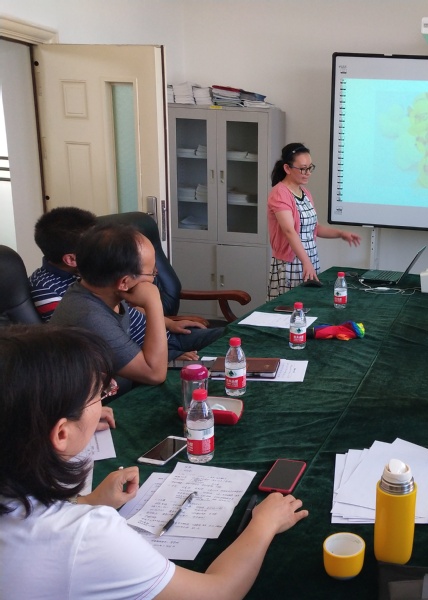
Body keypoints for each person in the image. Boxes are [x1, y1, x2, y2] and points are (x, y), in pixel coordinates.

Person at [0, 324, 307, 599]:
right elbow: (218, 592)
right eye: (97, 396)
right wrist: (263, 524)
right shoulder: (88, 535)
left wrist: (88, 501)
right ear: (61, 433)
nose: (104, 402)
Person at [30, 207, 217, 360]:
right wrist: (170, 356)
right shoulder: (53, 291)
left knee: (229, 339)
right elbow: (104, 339)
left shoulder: (93, 273)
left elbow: (128, 307)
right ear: (71, 259)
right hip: (145, 352)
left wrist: (168, 323)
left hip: (163, 335)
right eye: (93, 245)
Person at [51, 223, 172, 392]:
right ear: (124, 282)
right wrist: (154, 302)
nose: (153, 278)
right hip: (100, 404)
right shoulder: (89, 316)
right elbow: (155, 374)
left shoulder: (103, 292)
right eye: (152, 272)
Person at [267, 143, 361, 299]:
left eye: (310, 168)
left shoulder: (304, 192)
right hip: (291, 264)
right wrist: (306, 262)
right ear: (287, 168)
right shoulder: (280, 193)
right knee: (291, 306)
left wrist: (341, 233)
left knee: (309, 304)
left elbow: (314, 228)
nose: (308, 173)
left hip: (309, 260)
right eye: (303, 169)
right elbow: (289, 231)